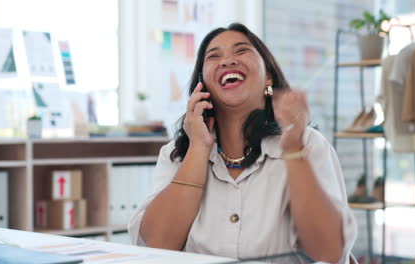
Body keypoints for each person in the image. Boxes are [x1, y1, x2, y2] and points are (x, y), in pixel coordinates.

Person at [129, 23, 356, 264]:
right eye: (214, 56)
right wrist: (198, 148)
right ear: (202, 85)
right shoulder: (176, 154)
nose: (227, 61)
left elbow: (330, 253)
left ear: (268, 75)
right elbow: (157, 245)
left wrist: (293, 151)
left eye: (241, 51)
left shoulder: (306, 144)